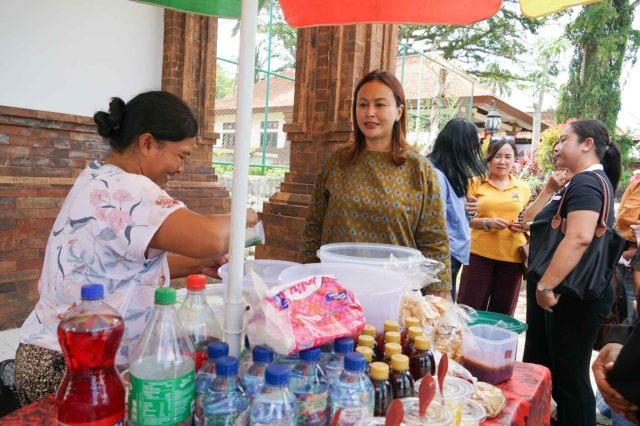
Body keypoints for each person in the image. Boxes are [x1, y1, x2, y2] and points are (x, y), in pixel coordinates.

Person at [14, 91, 258, 406]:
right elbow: (209, 238)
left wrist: (198, 266)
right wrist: (243, 218)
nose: (180, 168)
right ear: (147, 143)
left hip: (45, 355)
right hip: (72, 367)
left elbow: (122, 266)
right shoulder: (127, 188)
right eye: (181, 155)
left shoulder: (98, 176)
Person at [298, 69, 451, 293]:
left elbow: (434, 240)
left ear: (399, 112)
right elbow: (313, 229)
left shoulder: (418, 168)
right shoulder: (336, 163)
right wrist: (304, 280)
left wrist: (440, 295)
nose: (369, 113)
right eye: (362, 104)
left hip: (394, 294)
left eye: (380, 104)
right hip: (336, 291)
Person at [526, 119, 622, 426]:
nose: (557, 146)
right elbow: (529, 220)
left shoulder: (587, 182)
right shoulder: (582, 181)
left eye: (564, 139)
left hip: (575, 294)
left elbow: (579, 237)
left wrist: (545, 286)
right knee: (565, 374)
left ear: (587, 144)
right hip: (574, 291)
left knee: (571, 380)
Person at [457, 137, 531, 316]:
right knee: (469, 309)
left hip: (512, 258)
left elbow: (528, 219)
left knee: (502, 313)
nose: (502, 161)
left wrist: (522, 226)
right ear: (489, 158)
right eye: (497, 156)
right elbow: (460, 218)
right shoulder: (474, 183)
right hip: (478, 255)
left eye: (508, 157)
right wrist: (486, 223)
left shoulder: (523, 188)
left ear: (514, 160)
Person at [427, 118, 486, 300]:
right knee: (439, 306)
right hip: (443, 254)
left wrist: (467, 209)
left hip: (452, 252)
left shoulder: (449, 171)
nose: (474, 152)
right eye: (473, 146)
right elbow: (435, 223)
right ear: (459, 146)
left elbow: (451, 209)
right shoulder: (435, 173)